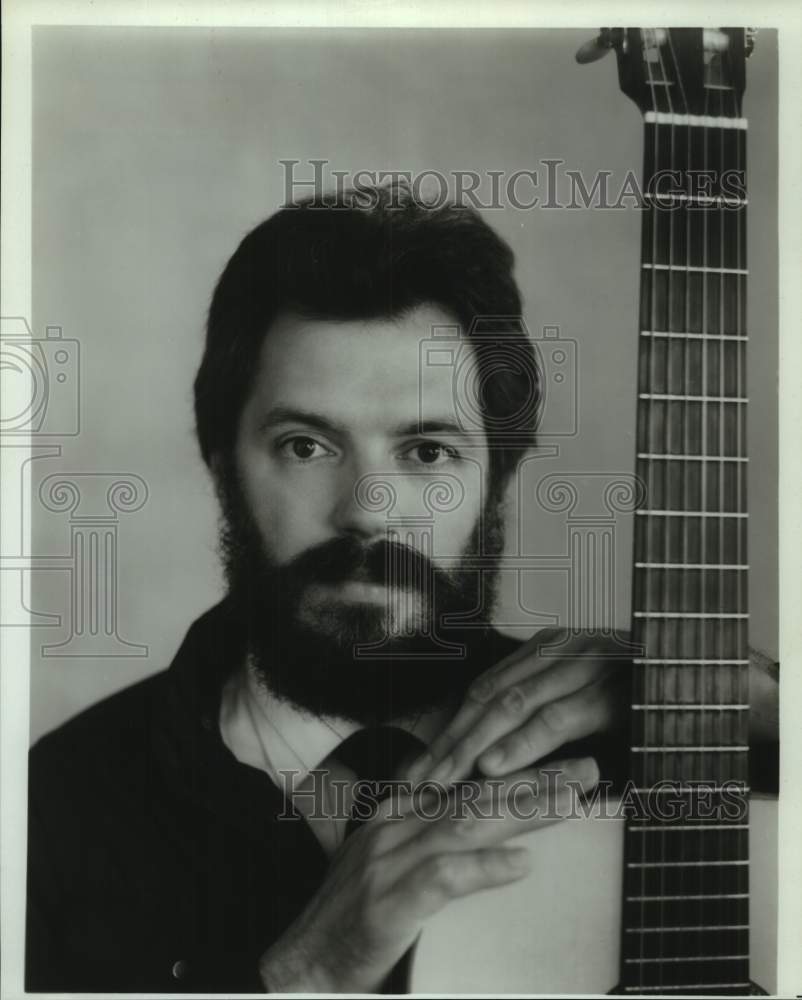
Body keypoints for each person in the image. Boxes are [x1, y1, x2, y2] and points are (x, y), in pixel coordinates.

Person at [25, 184, 779, 994]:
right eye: (306, 446)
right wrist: (309, 972)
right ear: (219, 462)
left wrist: (768, 708)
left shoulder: (660, 744)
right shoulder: (54, 811)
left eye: (426, 453)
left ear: (497, 479)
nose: (367, 514)